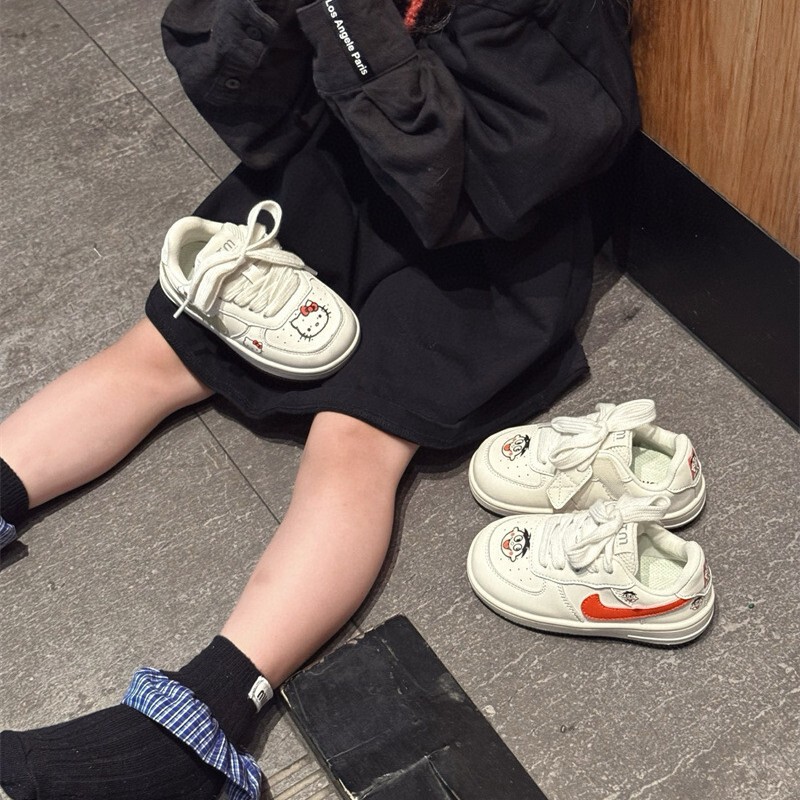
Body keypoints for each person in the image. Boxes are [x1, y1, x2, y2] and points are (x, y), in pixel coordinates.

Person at [0, 0, 639, 797]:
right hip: (344, 166)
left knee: (356, 441)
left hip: (492, 240)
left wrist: (345, 18)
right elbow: (246, 103)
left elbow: (477, 177)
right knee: (162, 350)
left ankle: (196, 729)